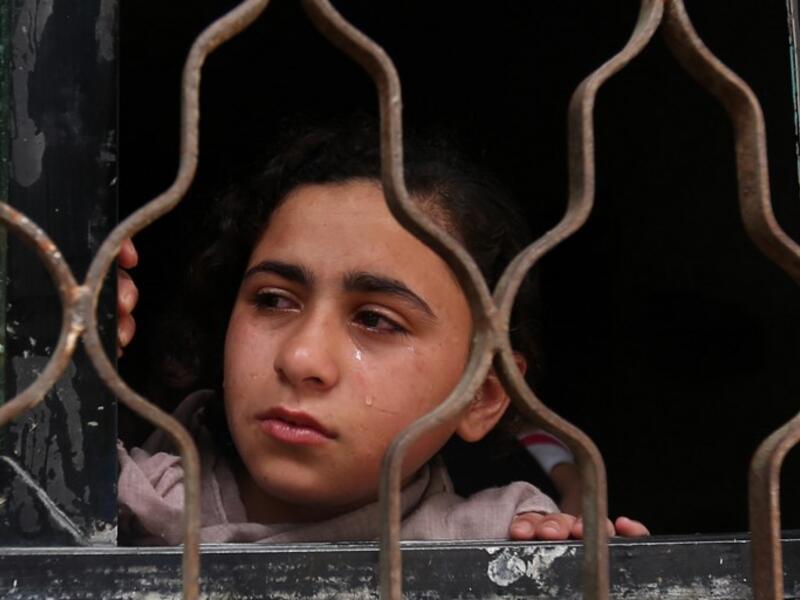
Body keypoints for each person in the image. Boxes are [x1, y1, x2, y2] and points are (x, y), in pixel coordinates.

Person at [116, 118, 647, 543]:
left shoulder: (502, 546)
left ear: (481, 396)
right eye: (273, 300)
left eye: (375, 320)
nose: (301, 358)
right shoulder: (104, 500)